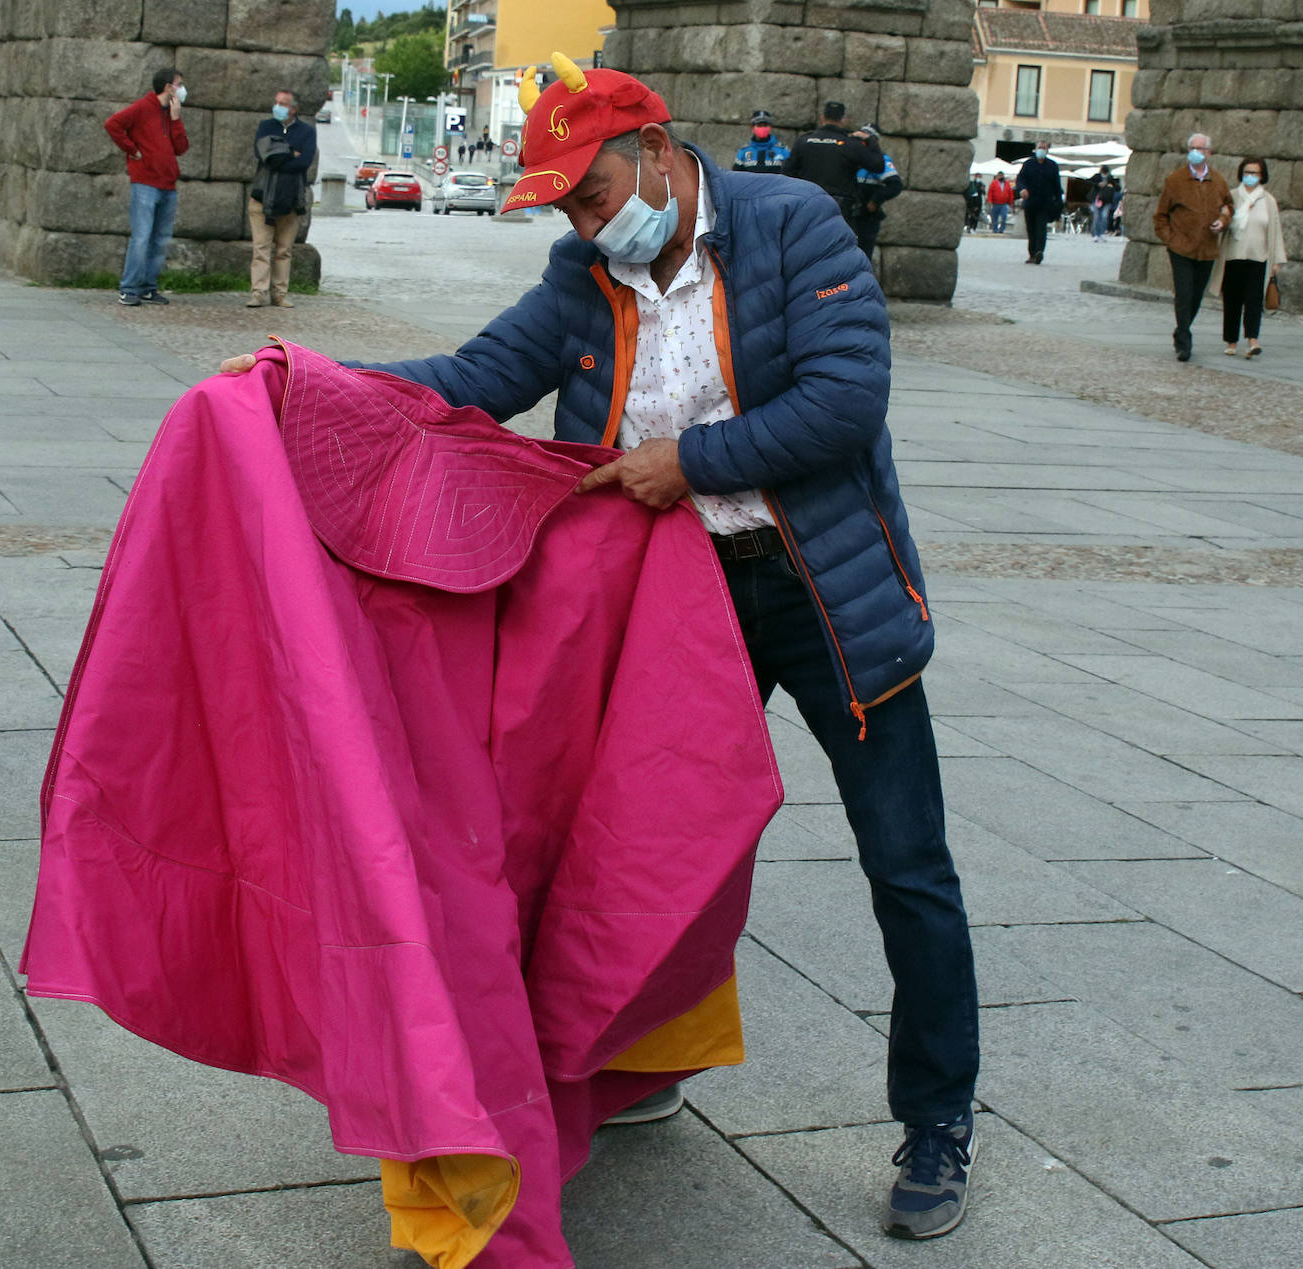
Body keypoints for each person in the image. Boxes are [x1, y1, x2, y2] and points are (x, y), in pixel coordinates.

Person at [221, 52, 979, 1243]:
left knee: (906, 864)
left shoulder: (793, 227)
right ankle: (638, 1060)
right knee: (640, 851)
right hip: (670, 607)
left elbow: (846, 400)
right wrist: (307, 387)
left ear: (661, 153)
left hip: (824, 593)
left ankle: (937, 1121)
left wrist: (691, 462)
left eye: (593, 190)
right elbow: (478, 381)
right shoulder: (586, 270)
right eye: (567, 204)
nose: (584, 218)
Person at [104, 66, 189, 307]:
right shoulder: (143, 107)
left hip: (167, 183)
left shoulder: (171, 113)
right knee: (141, 236)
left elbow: (181, 147)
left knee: (160, 238)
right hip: (145, 182)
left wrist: (175, 120)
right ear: (168, 87)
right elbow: (113, 124)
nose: (182, 89)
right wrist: (132, 150)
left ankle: (148, 287)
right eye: (179, 84)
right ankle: (129, 287)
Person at [1153, 131, 1233, 362]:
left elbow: (1228, 206)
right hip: (1181, 248)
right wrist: (1170, 239)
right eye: (1192, 149)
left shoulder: (1217, 180)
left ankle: (1181, 330)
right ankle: (1184, 342)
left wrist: (1223, 220)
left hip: (1207, 248)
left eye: (1201, 149)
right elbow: (1161, 215)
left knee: (1197, 295)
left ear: (1209, 152)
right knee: (1184, 292)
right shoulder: (1175, 180)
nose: (1196, 153)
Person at [782, 100, 885, 252]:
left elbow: (786, 173)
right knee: (837, 252)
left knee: (807, 250)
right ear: (843, 120)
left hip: (808, 208)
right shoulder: (850, 144)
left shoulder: (803, 141)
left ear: (822, 118)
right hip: (840, 211)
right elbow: (878, 165)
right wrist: (869, 139)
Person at [247, 88, 317, 309]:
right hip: (263, 196)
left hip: (291, 199)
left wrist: (279, 153)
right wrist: (290, 153)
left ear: (294, 108)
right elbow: (263, 155)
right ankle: (259, 292)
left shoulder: (306, 131)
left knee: (284, 249)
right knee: (261, 248)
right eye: (276, 102)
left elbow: (304, 161)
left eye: (283, 103)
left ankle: (280, 293)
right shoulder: (265, 127)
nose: (277, 106)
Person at [1210, 156, 1287, 358]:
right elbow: (1223, 218)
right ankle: (1231, 341)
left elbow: (1275, 230)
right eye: (1247, 172)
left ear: (1262, 176)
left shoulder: (1268, 201)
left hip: (1258, 257)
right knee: (1232, 300)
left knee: (1254, 300)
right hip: (1233, 256)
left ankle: (1253, 339)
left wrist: (1277, 260)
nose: (1250, 176)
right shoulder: (1233, 196)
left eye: (1254, 173)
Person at [849, 122, 903, 267]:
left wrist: (875, 200)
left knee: (863, 258)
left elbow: (895, 185)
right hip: (848, 213)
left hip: (866, 217)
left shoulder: (882, 160)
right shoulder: (850, 156)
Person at [1012, 140, 1063, 264]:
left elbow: (1057, 185)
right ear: (1036, 149)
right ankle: (1032, 253)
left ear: (1047, 150)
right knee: (1031, 229)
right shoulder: (1028, 164)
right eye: (1040, 147)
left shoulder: (1052, 166)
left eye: (1044, 148)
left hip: (1045, 203)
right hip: (1030, 202)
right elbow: (1020, 179)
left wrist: (1059, 202)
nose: (1041, 150)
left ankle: (1039, 251)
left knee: (1041, 228)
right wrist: (1022, 189)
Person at [733, 108, 790, 172]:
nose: (762, 128)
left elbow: (791, 174)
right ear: (752, 127)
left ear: (770, 127)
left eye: (765, 125)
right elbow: (736, 176)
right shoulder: (743, 152)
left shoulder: (783, 151)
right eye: (759, 125)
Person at [1089, 165, 1120, 242]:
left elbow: (1118, 188)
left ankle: (1101, 233)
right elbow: (1089, 182)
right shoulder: (1097, 176)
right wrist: (1098, 184)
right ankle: (1095, 234)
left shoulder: (1110, 178)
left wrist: (1111, 185)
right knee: (1097, 217)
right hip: (1097, 199)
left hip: (1107, 200)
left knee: (1104, 216)